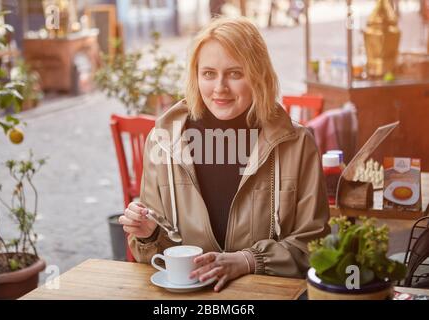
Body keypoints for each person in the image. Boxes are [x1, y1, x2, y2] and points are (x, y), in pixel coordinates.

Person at [119, 16, 330, 292]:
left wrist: (248, 260)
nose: (220, 87)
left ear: (259, 75)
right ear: (196, 76)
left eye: (235, 73)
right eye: (208, 74)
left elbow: (315, 247)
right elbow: (151, 257)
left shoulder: (297, 143)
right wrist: (150, 235)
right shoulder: (163, 140)